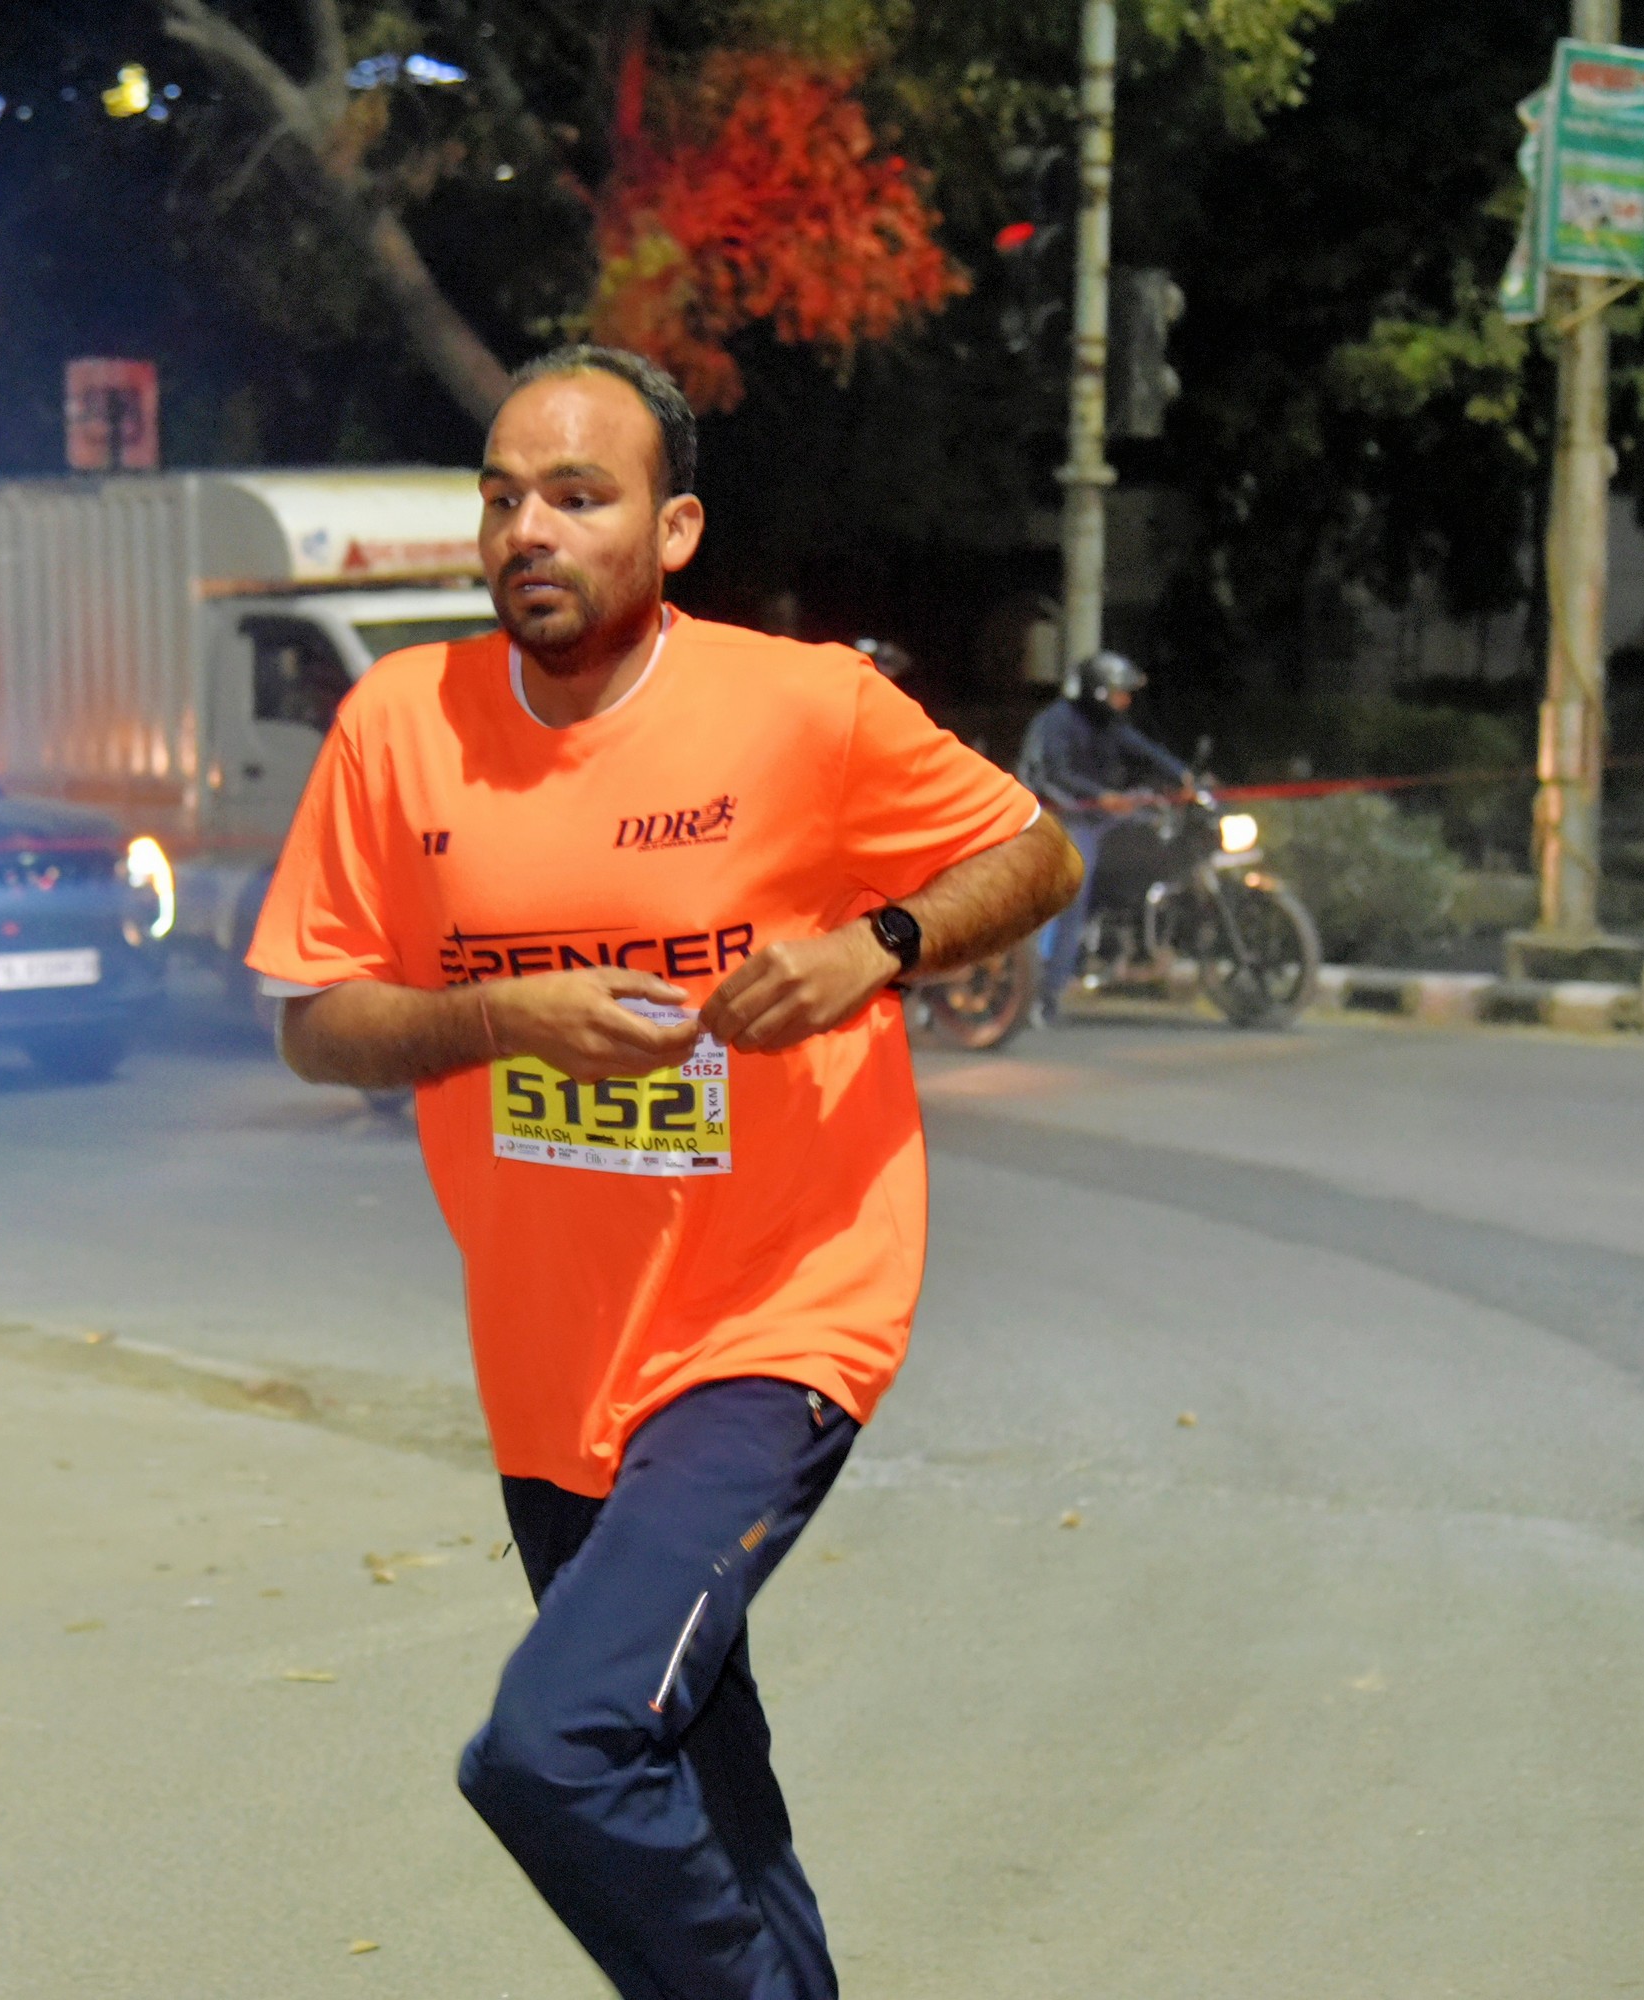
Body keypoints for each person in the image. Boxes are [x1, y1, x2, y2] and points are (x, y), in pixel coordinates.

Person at [247, 345, 1080, 1999]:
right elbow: (316, 1027)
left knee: (557, 1749)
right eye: (503, 497)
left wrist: (876, 946)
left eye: (578, 496)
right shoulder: (401, 727)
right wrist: (506, 1014)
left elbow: (1036, 851)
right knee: (700, 1791)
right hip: (554, 1361)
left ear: (674, 529)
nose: (529, 531)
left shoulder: (802, 709)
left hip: (775, 1323)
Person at [1015, 649, 1193, 1023]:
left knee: (1155, 834)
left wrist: (1182, 776)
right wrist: (1099, 797)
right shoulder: (1056, 723)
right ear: (1097, 692)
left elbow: (1144, 750)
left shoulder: (1108, 725)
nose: (1125, 701)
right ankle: (1045, 990)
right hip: (1056, 819)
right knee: (1073, 884)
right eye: (1118, 693)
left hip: (1097, 816)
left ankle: (1132, 939)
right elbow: (1052, 777)